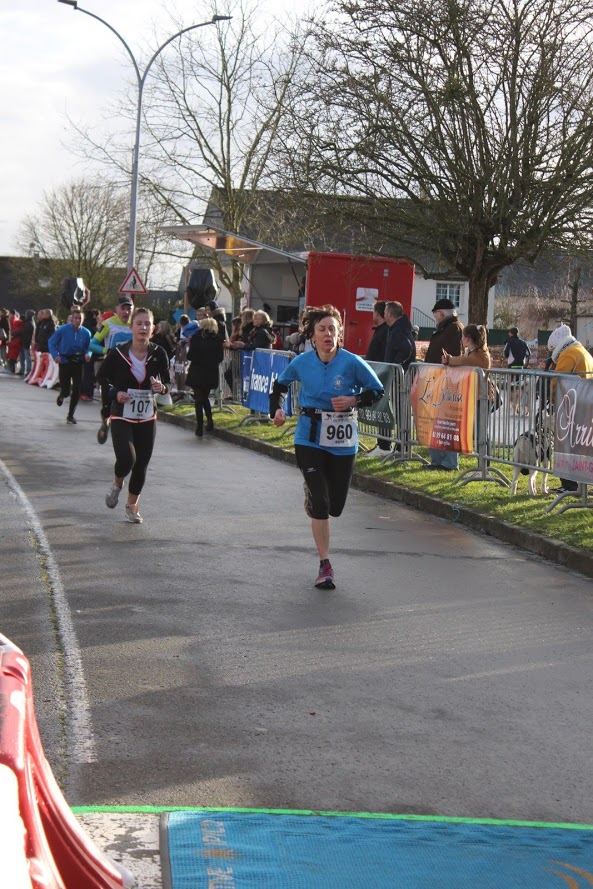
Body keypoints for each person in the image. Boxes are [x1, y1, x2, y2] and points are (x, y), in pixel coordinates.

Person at [270, 304, 383, 590]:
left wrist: (353, 401)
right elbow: (279, 386)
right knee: (321, 504)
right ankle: (324, 564)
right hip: (309, 435)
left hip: (342, 441)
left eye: (333, 329)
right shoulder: (302, 362)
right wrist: (278, 411)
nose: (328, 334)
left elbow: (377, 390)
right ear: (312, 335)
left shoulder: (352, 362)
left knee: (336, 507)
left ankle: (315, 493)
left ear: (339, 334)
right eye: (322, 329)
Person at [97, 307, 171, 524]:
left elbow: (167, 383)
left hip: (147, 416)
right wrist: (114, 393)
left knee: (142, 463)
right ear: (131, 327)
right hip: (121, 413)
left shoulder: (159, 354)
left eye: (147, 324)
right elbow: (102, 378)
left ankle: (132, 506)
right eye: (139, 323)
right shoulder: (118, 353)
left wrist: (162, 388)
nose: (143, 327)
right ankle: (117, 483)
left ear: (153, 329)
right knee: (128, 459)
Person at [547, 324, 593, 494]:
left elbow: (556, 382)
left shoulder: (567, 355)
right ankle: (582, 483)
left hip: (571, 407)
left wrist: (550, 398)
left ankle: (569, 484)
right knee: (583, 447)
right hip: (586, 405)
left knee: (567, 445)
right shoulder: (583, 351)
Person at [424, 298, 464, 471]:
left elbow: (453, 356)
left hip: (447, 382)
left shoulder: (453, 329)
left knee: (446, 424)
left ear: (440, 313)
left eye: (435, 315)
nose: (435, 318)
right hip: (437, 380)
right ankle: (438, 461)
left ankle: (447, 462)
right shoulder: (449, 329)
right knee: (437, 423)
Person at [90, 296, 134, 444]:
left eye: (129, 308)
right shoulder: (108, 324)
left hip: (128, 370)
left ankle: (124, 430)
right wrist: (106, 350)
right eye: (123, 308)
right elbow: (92, 344)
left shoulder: (134, 325)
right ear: (116, 309)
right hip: (111, 369)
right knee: (107, 403)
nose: (126, 312)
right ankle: (105, 422)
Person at [48, 308, 92, 424]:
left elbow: (88, 347)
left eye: (80, 319)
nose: (78, 321)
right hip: (65, 362)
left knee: (77, 389)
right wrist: (55, 355)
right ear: (72, 319)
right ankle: (63, 394)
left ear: (83, 320)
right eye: (76, 318)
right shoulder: (62, 330)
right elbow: (51, 342)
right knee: (67, 389)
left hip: (78, 362)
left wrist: (88, 354)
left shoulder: (86, 333)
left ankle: (70, 415)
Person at [186, 317, 224, 437]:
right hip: (210, 372)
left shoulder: (196, 337)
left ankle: (200, 426)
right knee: (204, 397)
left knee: (199, 398)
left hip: (197, 370)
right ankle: (210, 421)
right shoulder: (218, 339)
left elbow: (190, 355)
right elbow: (220, 358)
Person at [384, 301, 416, 369]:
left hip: (399, 376)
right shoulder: (401, 327)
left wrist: (394, 366)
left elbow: (407, 348)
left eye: (384, 313)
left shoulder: (399, 330)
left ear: (389, 314)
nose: (384, 316)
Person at [20, 310, 35, 377]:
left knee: (27, 357)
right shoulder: (29, 322)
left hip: (26, 342)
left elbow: (25, 333)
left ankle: (28, 371)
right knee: (22, 357)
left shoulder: (29, 323)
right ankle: (22, 370)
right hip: (24, 341)